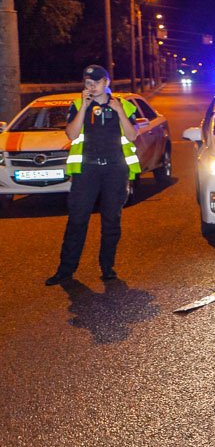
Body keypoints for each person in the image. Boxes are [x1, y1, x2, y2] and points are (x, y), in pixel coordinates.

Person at [45, 65, 142, 285]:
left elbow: (133, 136)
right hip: (87, 171)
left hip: (114, 170)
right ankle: (65, 270)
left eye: (96, 82)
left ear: (106, 83)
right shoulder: (78, 104)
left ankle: (107, 268)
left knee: (111, 221)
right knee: (77, 220)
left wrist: (118, 112)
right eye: (88, 83)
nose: (91, 86)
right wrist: (83, 108)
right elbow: (71, 133)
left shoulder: (124, 106)